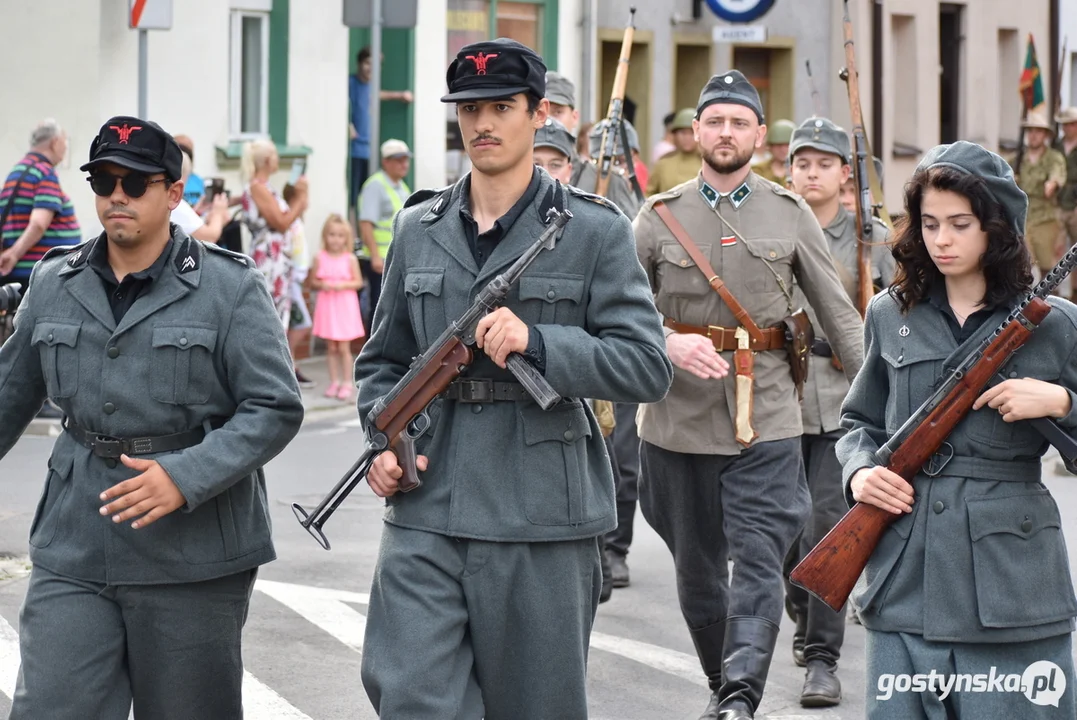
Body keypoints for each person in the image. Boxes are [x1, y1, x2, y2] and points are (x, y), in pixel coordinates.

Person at [356, 38, 673, 719]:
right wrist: (384, 438)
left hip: (541, 511)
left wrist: (542, 341)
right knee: (409, 695)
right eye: (469, 109)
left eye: (500, 106)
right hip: (429, 502)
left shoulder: (592, 231)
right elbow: (382, 362)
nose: (482, 124)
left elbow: (646, 365)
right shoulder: (418, 225)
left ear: (538, 114)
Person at [0, 115, 303, 720]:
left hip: (191, 556)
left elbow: (275, 406)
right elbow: (7, 397)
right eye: (104, 180)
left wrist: (184, 476)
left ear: (173, 193)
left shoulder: (228, 288)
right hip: (74, 542)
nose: (117, 194)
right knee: (52, 707)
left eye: (135, 183)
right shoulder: (54, 283)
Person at [633, 71, 864, 720]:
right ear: (697, 131)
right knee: (699, 576)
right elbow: (616, 313)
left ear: (760, 137)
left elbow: (839, 317)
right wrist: (664, 341)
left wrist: (881, 407)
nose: (725, 132)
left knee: (761, 562)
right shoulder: (656, 218)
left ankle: (738, 698)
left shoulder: (788, 216)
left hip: (766, 418)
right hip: (675, 422)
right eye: (714, 121)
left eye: (739, 122)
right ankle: (720, 678)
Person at [838, 140, 1077, 719]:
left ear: (996, 229)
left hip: (1011, 585)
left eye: (960, 224)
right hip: (905, 576)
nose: (941, 240)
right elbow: (859, 422)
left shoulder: (1056, 326)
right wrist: (860, 473)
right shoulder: (889, 313)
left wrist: (1063, 401)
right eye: (929, 224)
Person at [782, 116, 896, 708]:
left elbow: (900, 305)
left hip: (844, 397)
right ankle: (800, 605)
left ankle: (823, 658)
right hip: (779, 396)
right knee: (780, 529)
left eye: (824, 164)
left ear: (843, 173)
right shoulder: (776, 222)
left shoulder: (868, 235)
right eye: (802, 162)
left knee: (828, 522)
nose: (811, 173)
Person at [0, 119, 80, 293]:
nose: (65, 148)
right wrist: (14, 254)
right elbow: (38, 223)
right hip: (39, 275)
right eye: (64, 141)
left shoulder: (16, 172)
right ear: (54, 142)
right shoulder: (44, 172)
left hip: (17, 274)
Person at [240, 138, 308, 329]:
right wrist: (299, 202)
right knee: (270, 316)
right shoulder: (258, 187)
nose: (279, 159)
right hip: (269, 259)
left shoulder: (264, 187)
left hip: (277, 259)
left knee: (277, 315)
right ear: (268, 160)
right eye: (276, 155)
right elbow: (281, 222)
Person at [349, 47, 414, 213]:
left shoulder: (370, 86)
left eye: (376, 65)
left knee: (368, 193)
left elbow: (378, 95)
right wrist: (348, 125)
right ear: (359, 63)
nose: (371, 68)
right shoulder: (351, 83)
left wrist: (400, 96)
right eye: (367, 63)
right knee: (353, 196)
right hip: (355, 150)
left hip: (369, 149)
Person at [356, 138, 411, 331]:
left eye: (406, 159)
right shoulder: (375, 185)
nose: (404, 164)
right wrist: (375, 256)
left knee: (394, 306)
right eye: (398, 160)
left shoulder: (402, 187)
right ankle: (371, 349)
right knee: (380, 307)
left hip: (395, 258)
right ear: (385, 162)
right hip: (379, 259)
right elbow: (366, 222)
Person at [309, 213, 365, 401]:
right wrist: (321, 283)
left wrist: (342, 285)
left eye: (340, 235)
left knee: (343, 347)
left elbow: (358, 282)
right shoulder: (320, 257)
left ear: (346, 238)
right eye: (332, 234)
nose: (335, 239)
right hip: (327, 306)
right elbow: (312, 281)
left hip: (344, 306)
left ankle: (347, 382)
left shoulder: (350, 259)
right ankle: (334, 381)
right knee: (331, 347)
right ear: (325, 236)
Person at [1012, 111, 1066, 277]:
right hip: (1024, 218)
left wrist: (1053, 182)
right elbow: (1002, 172)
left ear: (1045, 135)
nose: (1034, 135)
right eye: (1031, 131)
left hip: (1045, 218)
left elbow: (1058, 172)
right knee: (1022, 265)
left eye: (1038, 131)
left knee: (1048, 268)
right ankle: (1025, 301)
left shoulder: (1053, 157)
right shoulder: (1019, 158)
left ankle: (1050, 299)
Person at [282, 182, 316, 389]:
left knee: (293, 324)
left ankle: (292, 365)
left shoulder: (297, 220)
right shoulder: (290, 219)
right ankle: (287, 362)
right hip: (290, 279)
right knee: (301, 324)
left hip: (296, 278)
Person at [170, 150, 229, 244]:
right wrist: (218, 213)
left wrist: (196, 211)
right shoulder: (175, 203)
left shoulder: (165, 199)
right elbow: (210, 237)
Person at [647, 107, 700, 195]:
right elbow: (649, 195)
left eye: (691, 132)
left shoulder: (708, 164)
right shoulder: (663, 163)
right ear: (674, 135)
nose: (687, 138)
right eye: (683, 133)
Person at [1054, 107, 1077, 284]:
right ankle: (1057, 293)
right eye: (1065, 125)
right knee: (1057, 251)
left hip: (1075, 203)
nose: (1068, 128)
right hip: (1058, 203)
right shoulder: (1056, 146)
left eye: (1072, 124)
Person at [751, 118, 795, 185]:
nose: (783, 150)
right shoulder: (757, 171)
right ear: (770, 146)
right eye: (778, 145)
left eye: (787, 145)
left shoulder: (800, 171)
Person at [172, 134, 205, 207]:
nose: (185, 156)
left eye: (188, 152)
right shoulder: (166, 180)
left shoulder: (198, 180)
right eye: (181, 149)